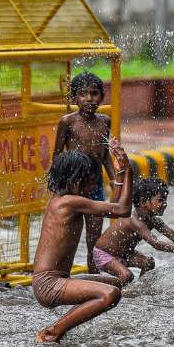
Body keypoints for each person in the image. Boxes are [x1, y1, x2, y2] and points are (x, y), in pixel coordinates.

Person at [33, 139, 133, 343]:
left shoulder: (64, 200)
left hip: (57, 280)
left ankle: (60, 327)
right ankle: (54, 331)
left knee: (117, 283)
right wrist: (129, 169)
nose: (93, 186)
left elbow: (113, 206)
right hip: (49, 284)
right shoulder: (70, 202)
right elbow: (123, 210)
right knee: (110, 294)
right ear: (75, 180)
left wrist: (120, 174)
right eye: (90, 181)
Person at [92, 178, 174, 286]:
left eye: (165, 200)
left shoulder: (153, 220)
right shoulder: (134, 221)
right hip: (104, 254)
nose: (165, 204)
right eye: (160, 200)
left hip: (125, 253)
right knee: (126, 276)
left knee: (148, 263)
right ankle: (99, 286)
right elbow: (155, 244)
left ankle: (139, 288)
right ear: (143, 202)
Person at [53, 71, 118, 273]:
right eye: (83, 94)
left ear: (101, 96)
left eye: (94, 93)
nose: (89, 99)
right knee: (67, 233)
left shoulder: (105, 121)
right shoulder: (67, 122)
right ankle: (60, 273)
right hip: (72, 187)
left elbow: (105, 154)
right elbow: (57, 155)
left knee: (94, 237)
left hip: (95, 184)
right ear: (74, 98)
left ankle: (93, 273)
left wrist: (114, 180)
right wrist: (58, 186)